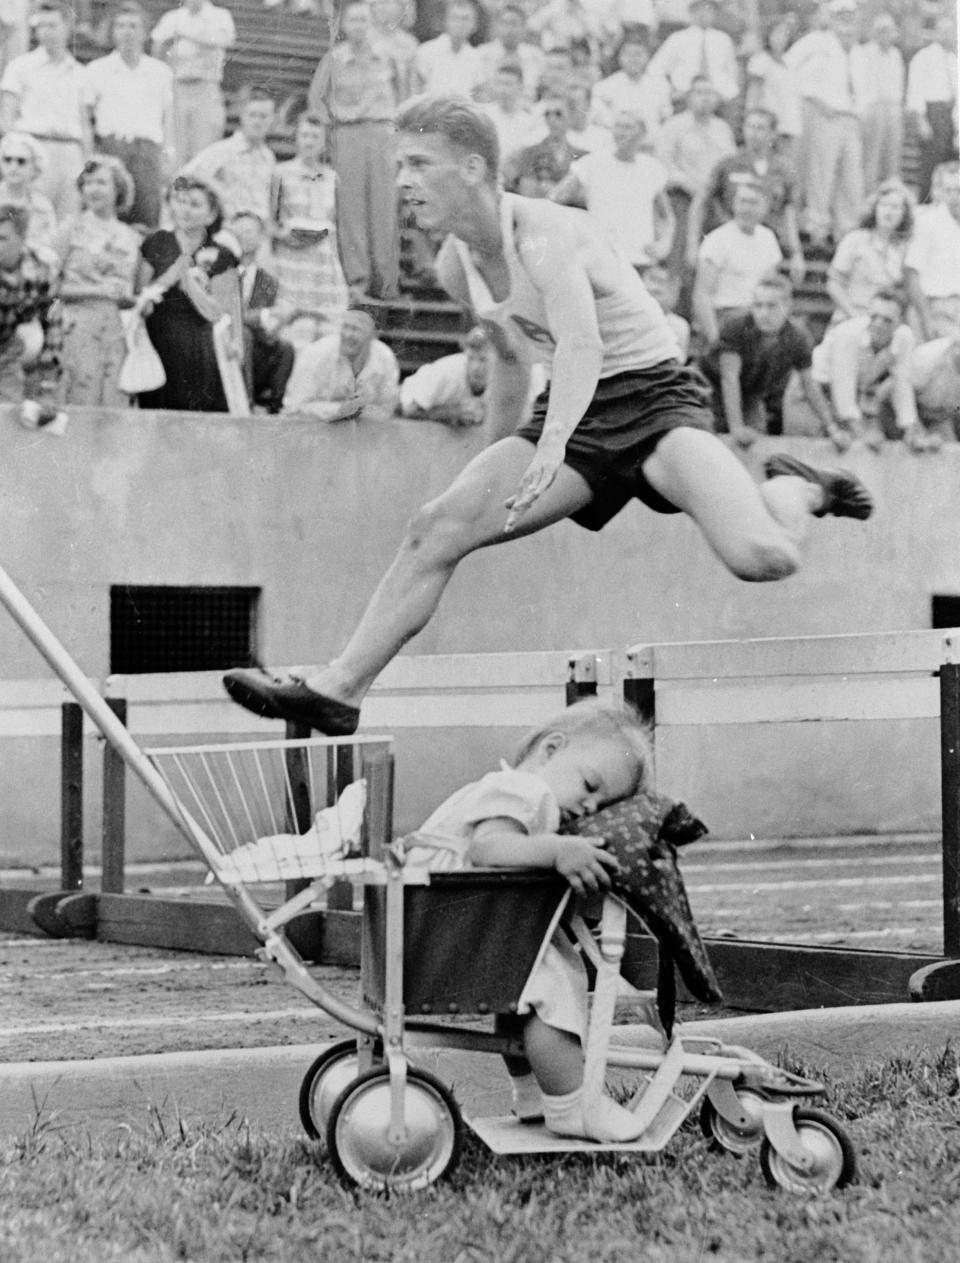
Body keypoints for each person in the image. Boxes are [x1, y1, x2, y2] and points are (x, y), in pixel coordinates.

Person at [223, 95, 874, 737]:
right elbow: (510, 356)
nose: (403, 182)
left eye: (419, 164)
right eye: (399, 166)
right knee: (437, 527)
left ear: (474, 169)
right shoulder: (457, 263)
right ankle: (341, 690)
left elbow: (585, 343)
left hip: (653, 401)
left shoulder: (549, 233)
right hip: (574, 409)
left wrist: (552, 444)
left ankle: (798, 489)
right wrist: (486, 463)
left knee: (762, 556)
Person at [399, 697, 657, 1143]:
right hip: (458, 930)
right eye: (590, 784)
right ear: (552, 749)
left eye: (603, 804)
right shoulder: (523, 791)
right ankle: (572, 1105)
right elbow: (489, 848)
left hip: (441, 932)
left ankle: (535, 1096)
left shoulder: (512, 794)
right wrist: (558, 851)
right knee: (554, 985)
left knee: (525, 985)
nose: (589, 806)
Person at [308, 0, 403, 301]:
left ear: (372, 22)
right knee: (351, 211)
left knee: (385, 207)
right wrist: (333, 123)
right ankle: (358, 279)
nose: (358, 26)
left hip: (382, 133)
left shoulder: (389, 57)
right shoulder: (334, 58)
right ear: (343, 25)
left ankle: (387, 281)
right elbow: (315, 99)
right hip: (348, 133)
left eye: (364, 20)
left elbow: (405, 96)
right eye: (353, 21)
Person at [135, 174, 240, 412]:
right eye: (180, 201)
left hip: (199, 345)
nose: (185, 209)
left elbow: (218, 311)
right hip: (157, 339)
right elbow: (139, 293)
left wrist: (190, 283)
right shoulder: (156, 242)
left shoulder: (222, 254)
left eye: (194, 204)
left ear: (211, 214)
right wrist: (174, 273)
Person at [699, 272, 838, 447]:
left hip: (750, 396)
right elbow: (729, 378)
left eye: (772, 306)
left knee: (757, 443)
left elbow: (809, 386)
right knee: (709, 437)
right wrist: (736, 428)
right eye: (758, 305)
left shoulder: (798, 337)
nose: (764, 313)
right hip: (708, 387)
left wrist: (832, 429)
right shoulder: (735, 325)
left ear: (787, 306)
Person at [54, 156, 141, 407]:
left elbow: (130, 293)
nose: (93, 189)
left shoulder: (132, 236)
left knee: (114, 405)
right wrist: (99, 290)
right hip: (77, 327)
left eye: (101, 182)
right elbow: (51, 286)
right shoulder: (71, 228)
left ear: (118, 189)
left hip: (116, 331)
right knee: (80, 403)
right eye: (88, 183)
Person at [82, 1, 176, 230]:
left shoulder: (160, 72)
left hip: (147, 152)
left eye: (133, 26)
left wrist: (169, 155)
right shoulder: (96, 69)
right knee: (106, 214)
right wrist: (88, 156)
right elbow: (86, 119)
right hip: (112, 149)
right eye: (121, 26)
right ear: (112, 32)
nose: (127, 32)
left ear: (144, 32)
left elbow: (167, 118)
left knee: (147, 218)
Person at [685, 106, 804, 285]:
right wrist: (692, 244)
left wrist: (796, 253)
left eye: (760, 128)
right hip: (729, 241)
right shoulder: (728, 164)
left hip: (767, 243)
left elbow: (789, 212)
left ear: (772, 134)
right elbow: (700, 203)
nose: (754, 133)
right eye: (750, 126)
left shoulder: (784, 169)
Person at [550, 111, 674, 272]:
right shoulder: (592, 163)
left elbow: (666, 216)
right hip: (602, 259)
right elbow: (554, 199)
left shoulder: (653, 169)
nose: (622, 132)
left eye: (628, 127)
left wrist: (664, 244)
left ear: (642, 134)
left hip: (640, 259)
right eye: (618, 126)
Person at [0, 1, 91, 221]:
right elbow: (7, 117)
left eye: (52, 25)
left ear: (67, 27)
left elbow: (85, 123)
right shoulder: (20, 66)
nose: (46, 32)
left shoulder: (81, 73)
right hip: (34, 149)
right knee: (30, 218)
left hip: (70, 152)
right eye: (41, 26)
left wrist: (87, 162)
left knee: (67, 220)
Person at [783, 0, 862, 248]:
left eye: (850, 14)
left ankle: (845, 231)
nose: (845, 19)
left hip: (851, 119)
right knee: (821, 174)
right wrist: (814, 98)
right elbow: (786, 68)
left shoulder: (858, 49)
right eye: (841, 14)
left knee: (851, 177)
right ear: (832, 16)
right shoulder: (816, 41)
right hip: (823, 115)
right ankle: (817, 228)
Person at [811, 289, 925, 452]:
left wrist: (910, 428)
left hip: (850, 394)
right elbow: (844, 396)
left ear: (900, 321)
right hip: (812, 392)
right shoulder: (848, 334)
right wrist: (863, 434)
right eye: (874, 316)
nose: (878, 324)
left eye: (887, 320)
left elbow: (902, 384)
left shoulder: (905, 337)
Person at [270, 111, 349, 334]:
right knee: (289, 321)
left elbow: (337, 221)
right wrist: (282, 236)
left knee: (326, 324)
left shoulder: (333, 177)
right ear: (296, 138)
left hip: (322, 259)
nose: (309, 141)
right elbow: (271, 218)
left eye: (315, 137)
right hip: (291, 255)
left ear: (324, 142)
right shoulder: (281, 173)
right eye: (304, 135)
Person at [693, 182, 783, 350]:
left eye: (753, 202)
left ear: (765, 207)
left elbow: (770, 288)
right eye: (742, 201)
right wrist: (716, 341)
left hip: (758, 318)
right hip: (725, 319)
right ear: (733, 204)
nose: (747, 208)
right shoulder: (717, 240)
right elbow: (702, 296)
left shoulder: (768, 238)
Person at [150, 0, 236, 167]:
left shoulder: (219, 15)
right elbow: (157, 46)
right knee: (174, 147)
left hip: (205, 86)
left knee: (205, 148)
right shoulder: (172, 17)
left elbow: (223, 40)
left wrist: (183, 34)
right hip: (176, 87)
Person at [282, 306, 400, 421]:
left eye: (355, 329)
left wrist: (358, 412)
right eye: (345, 327)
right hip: (312, 428)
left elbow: (387, 408)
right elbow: (293, 405)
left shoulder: (385, 357)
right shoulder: (315, 353)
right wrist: (338, 410)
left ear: (373, 334)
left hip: (363, 430)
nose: (347, 334)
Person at [230, 211, 295, 415]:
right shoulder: (221, 270)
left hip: (253, 349)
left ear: (260, 237)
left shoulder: (267, 280)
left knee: (285, 348)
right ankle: (245, 406)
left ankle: (275, 410)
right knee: (246, 336)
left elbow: (267, 325)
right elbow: (227, 315)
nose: (243, 236)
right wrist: (262, 316)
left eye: (249, 231)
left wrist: (275, 322)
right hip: (224, 344)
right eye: (237, 232)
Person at [182, 86, 277, 225]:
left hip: (260, 230)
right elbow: (182, 177)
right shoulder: (223, 150)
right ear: (242, 116)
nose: (257, 122)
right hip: (231, 228)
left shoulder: (269, 157)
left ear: (272, 119)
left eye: (263, 116)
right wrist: (215, 187)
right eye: (252, 115)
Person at [826, 179, 914, 325]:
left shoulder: (905, 248)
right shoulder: (855, 239)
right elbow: (833, 284)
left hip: (886, 322)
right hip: (851, 316)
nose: (889, 212)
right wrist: (854, 316)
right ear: (875, 208)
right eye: (884, 205)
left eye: (896, 207)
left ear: (904, 214)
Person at [0, 203, 63, 405]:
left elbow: (53, 327)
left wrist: (48, 385)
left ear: (22, 238)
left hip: (9, 358)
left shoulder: (41, 270)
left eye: (2, 239)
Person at [646, 0, 739, 112]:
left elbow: (732, 72)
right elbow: (655, 69)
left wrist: (726, 93)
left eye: (708, 9)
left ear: (715, 13)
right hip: (684, 97)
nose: (703, 14)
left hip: (717, 98)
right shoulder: (678, 38)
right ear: (691, 12)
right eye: (698, 10)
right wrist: (671, 91)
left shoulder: (723, 39)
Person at [904, 162, 960, 342]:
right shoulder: (927, 222)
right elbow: (911, 273)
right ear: (940, 192)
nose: (955, 196)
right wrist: (927, 319)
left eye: (959, 190)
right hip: (933, 308)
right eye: (948, 190)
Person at [905, 13, 958, 204]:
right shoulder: (924, 57)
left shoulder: (953, 59)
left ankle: (943, 208)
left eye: (951, 31)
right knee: (930, 167)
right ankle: (924, 207)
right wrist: (921, 121)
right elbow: (915, 90)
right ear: (935, 33)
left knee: (947, 166)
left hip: (949, 116)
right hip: (931, 115)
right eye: (943, 31)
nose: (948, 35)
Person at [850, 12, 904, 192]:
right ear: (875, 32)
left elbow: (898, 85)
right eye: (881, 31)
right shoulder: (864, 52)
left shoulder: (895, 54)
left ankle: (891, 198)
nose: (886, 35)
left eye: (889, 31)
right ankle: (867, 198)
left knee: (892, 158)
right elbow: (860, 85)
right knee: (870, 158)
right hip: (872, 108)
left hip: (893, 108)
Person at [399, 324, 490, 426]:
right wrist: (453, 413)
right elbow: (409, 409)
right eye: (471, 358)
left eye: (483, 360)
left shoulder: (502, 379)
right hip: (401, 408)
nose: (475, 367)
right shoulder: (447, 370)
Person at [588, 33, 672, 140]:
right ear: (620, 57)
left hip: (651, 142)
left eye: (638, 54)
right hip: (617, 142)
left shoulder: (661, 86)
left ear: (648, 57)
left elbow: (665, 119)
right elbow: (601, 121)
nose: (633, 59)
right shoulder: (604, 87)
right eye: (628, 54)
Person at [744, 18, 802, 170]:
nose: (780, 38)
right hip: (769, 128)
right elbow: (753, 97)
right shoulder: (761, 61)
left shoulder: (790, 63)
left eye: (784, 34)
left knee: (786, 171)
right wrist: (754, 126)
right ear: (767, 36)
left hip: (789, 128)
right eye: (776, 34)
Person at [507, 95, 587, 197]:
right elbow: (527, 191)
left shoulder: (582, 156)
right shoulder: (529, 153)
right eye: (547, 114)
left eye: (558, 114)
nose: (551, 119)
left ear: (571, 117)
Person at [413, 0, 486, 97]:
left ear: (474, 25)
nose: (460, 24)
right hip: (432, 109)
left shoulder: (477, 58)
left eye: (465, 19)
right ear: (445, 21)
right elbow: (415, 91)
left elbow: (477, 96)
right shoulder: (426, 52)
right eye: (455, 18)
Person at [0, 132, 57, 255]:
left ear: (34, 166)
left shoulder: (42, 206)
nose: (13, 166)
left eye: (21, 161)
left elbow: (47, 245)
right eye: (7, 160)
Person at [480, 61, 545, 169]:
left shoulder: (530, 120)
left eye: (508, 84)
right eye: (499, 84)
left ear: (520, 87)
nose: (502, 90)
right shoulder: (485, 116)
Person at [477, 3, 545, 103]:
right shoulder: (481, 54)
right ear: (496, 26)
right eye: (504, 23)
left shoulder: (536, 57)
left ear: (524, 27)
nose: (509, 29)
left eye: (514, 24)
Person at [642, 264, 689, 362]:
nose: (653, 298)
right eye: (649, 292)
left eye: (657, 293)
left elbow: (678, 362)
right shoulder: (632, 321)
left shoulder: (678, 325)